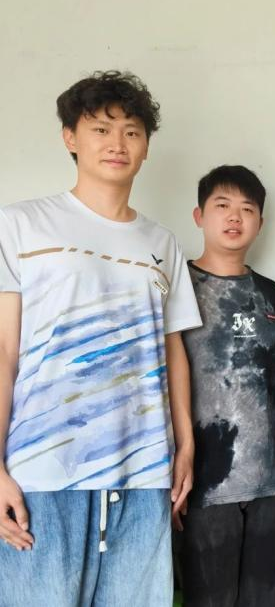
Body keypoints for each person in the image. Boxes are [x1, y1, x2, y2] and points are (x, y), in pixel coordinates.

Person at [0, 71, 201, 606]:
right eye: (101, 129)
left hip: (144, 472)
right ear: (70, 137)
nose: (118, 143)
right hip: (43, 469)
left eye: (132, 132)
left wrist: (185, 445)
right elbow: (4, 352)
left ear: (146, 148)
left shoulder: (162, 243)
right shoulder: (20, 225)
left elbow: (173, 350)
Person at [178, 164, 275, 606]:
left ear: (260, 222)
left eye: (247, 209)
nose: (235, 217)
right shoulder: (177, 289)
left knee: (262, 597)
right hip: (204, 482)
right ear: (199, 215)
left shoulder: (274, 294)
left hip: (274, 478)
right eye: (222, 206)